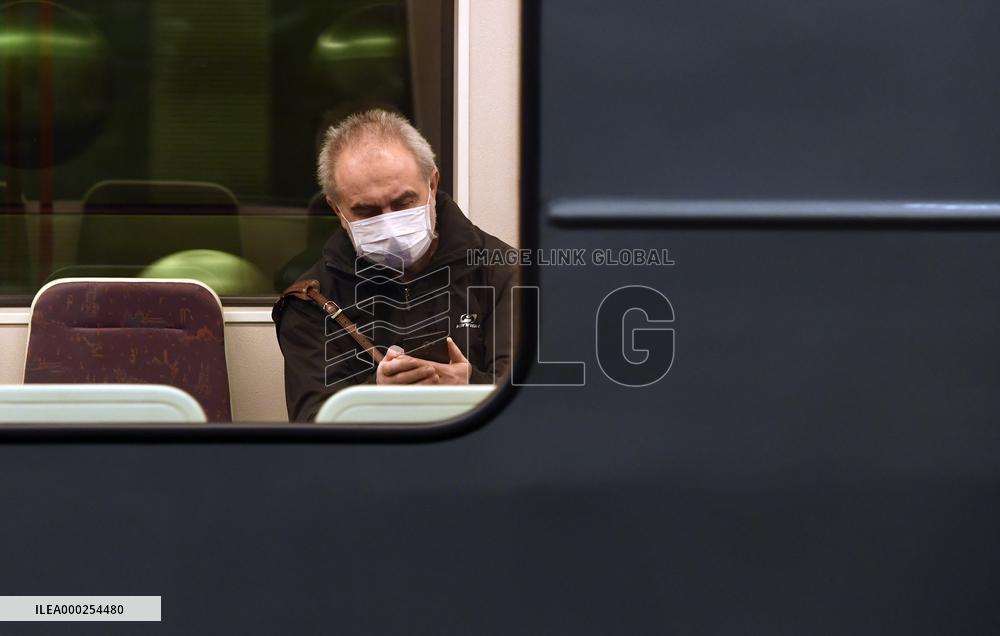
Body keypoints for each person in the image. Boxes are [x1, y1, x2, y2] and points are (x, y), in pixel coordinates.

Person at [273, 109, 514, 422]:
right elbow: (312, 425)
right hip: (367, 466)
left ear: (432, 183)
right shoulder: (310, 301)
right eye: (368, 211)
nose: (389, 223)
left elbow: (537, 411)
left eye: (403, 203)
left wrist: (470, 389)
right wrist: (375, 395)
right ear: (337, 209)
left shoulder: (502, 273)